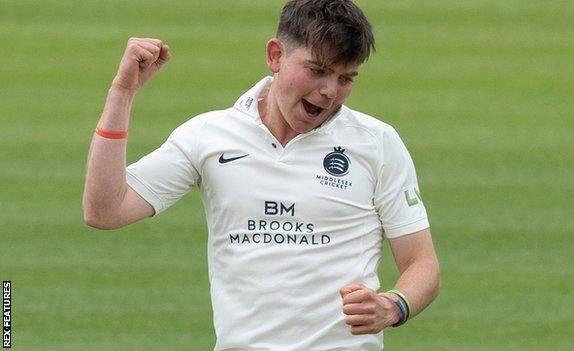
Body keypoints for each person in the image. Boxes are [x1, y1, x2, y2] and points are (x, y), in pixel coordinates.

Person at [82, 0, 441, 349]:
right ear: (276, 56)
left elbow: (422, 264)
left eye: (346, 78)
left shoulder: (376, 143)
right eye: (317, 70)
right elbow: (106, 210)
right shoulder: (209, 135)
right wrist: (122, 92)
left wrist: (394, 305)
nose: (330, 91)